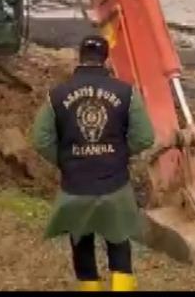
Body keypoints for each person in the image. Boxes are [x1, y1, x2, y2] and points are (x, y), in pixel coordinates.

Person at [31, 35, 156, 292]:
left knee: (82, 243)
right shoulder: (126, 93)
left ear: (79, 57)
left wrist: (67, 161)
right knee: (119, 241)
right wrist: (118, 154)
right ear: (106, 58)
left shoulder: (56, 95)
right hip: (114, 185)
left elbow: (41, 139)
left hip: (75, 185)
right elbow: (145, 137)